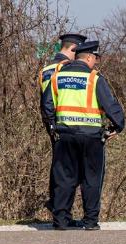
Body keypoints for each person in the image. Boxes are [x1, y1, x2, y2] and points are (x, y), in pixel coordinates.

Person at [42, 40, 125, 231]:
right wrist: (118, 126)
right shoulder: (94, 79)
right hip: (91, 137)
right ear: (88, 57)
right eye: (95, 58)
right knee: (92, 178)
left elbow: (46, 105)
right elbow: (110, 105)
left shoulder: (57, 77)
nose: (96, 62)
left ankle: (61, 220)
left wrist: (53, 124)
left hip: (65, 136)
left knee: (64, 177)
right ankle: (90, 221)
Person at [38, 33, 86, 212]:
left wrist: (50, 123)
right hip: (67, 122)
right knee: (70, 169)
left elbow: (44, 100)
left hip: (51, 121)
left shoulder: (46, 68)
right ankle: (60, 207)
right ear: (73, 49)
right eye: (78, 52)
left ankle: (57, 204)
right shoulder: (66, 68)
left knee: (59, 164)